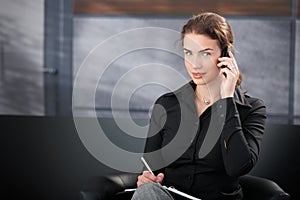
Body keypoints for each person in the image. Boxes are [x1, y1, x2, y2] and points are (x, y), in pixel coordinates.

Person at [131, 12, 266, 200]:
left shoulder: (252, 109)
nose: (195, 64)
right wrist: (146, 179)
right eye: (189, 53)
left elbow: (238, 167)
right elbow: (150, 168)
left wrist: (226, 99)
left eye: (205, 53)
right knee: (146, 192)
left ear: (225, 55)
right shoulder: (166, 105)